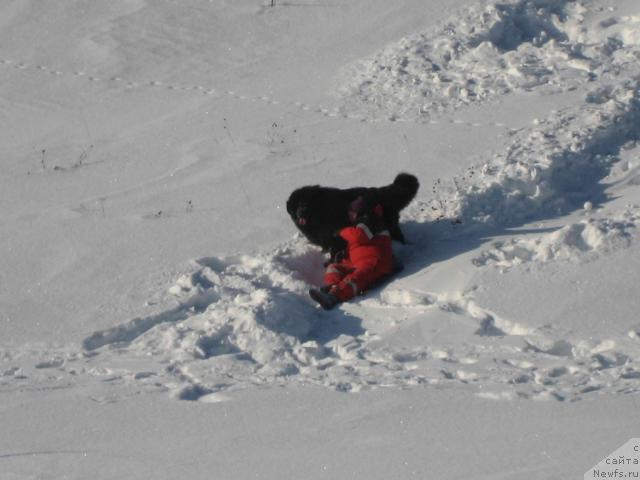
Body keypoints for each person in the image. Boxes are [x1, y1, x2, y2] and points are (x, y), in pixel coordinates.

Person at [309, 194, 394, 310]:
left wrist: (342, 231)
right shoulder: (358, 226)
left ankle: (334, 297)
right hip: (358, 262)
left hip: (375, 261)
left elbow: (359, 237)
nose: (352, 213)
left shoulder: (370, 220)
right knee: (334, 267)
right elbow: (356, 248)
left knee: (356, 277)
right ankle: (333, 287)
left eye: (356, 208)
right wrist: (344, 257)